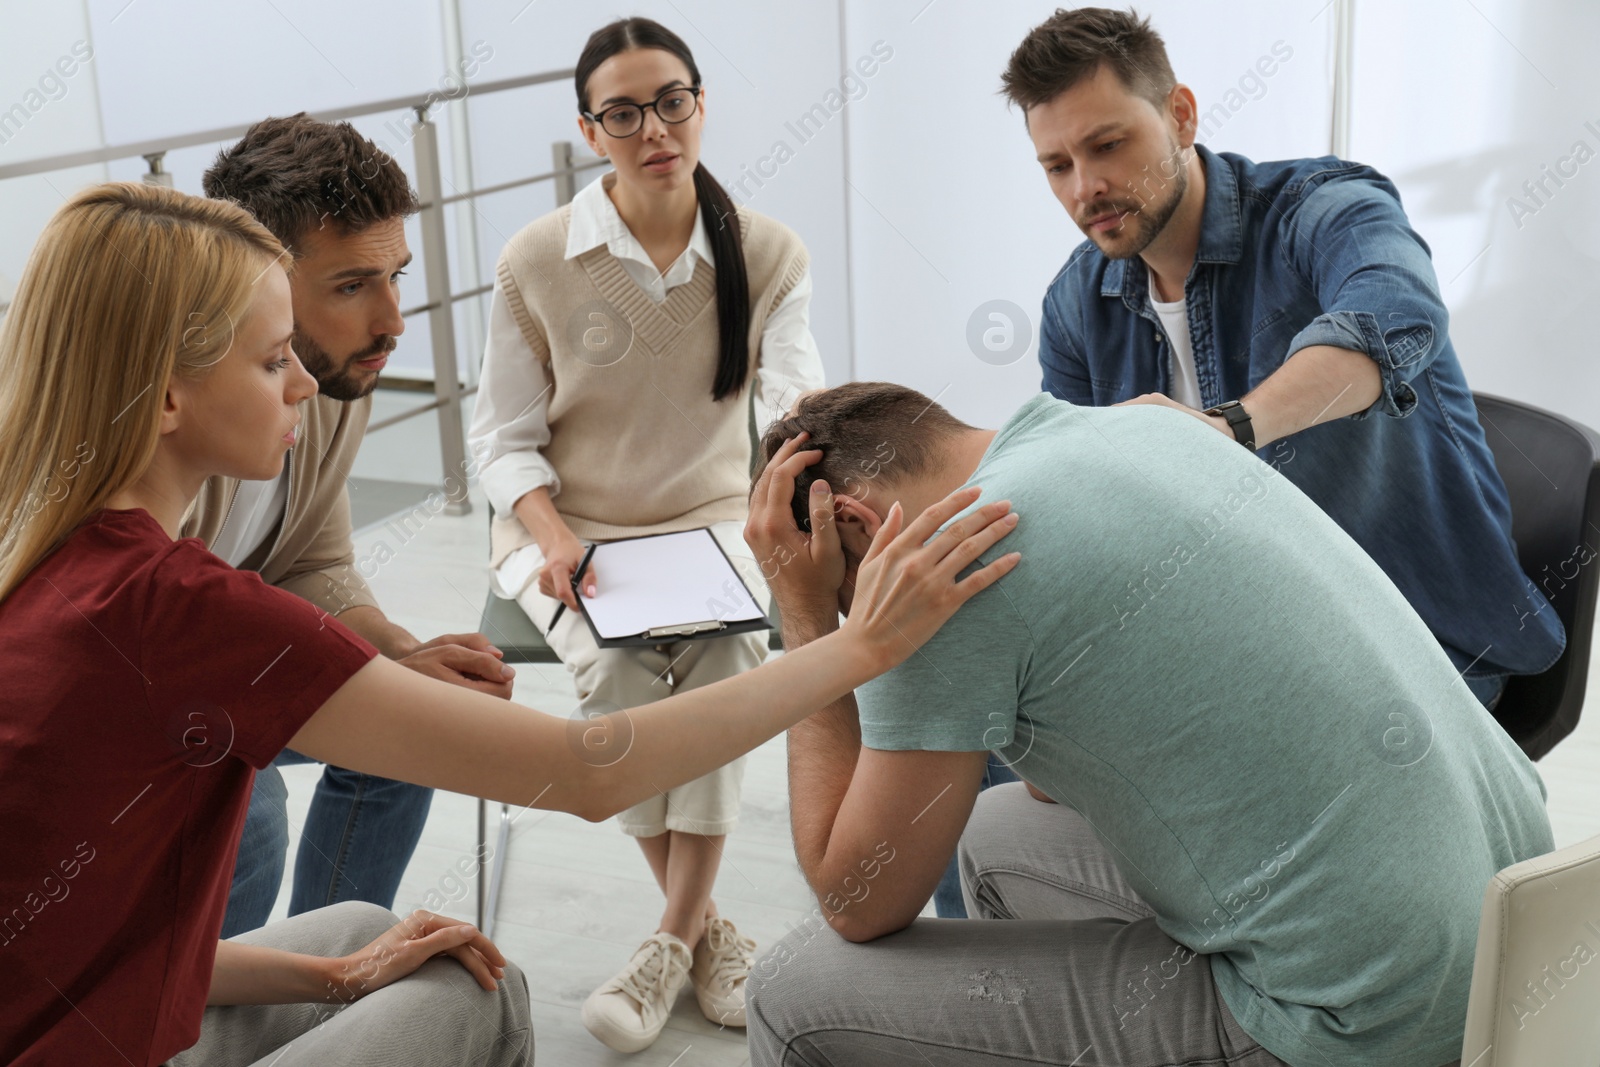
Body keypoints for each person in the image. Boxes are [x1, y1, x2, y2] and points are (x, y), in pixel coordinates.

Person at [0, 184, 1016, 1065]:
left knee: (366, 927)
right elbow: (585, 770)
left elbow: (103, 947)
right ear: (168, 395)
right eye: (274, 361)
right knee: (476, 993)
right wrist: (857, 644)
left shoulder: (53, 560)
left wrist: (340, 973)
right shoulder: (180, 605)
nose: (306, 381)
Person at [740, 381, 1551, 1066]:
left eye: (837, 590)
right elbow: (1054, 783)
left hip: (1366, 1023)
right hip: (1513, 941)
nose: (859, 619)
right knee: (996, 833)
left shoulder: (946, 573)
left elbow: (855, 897)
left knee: (792, 989)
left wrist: (813, 626)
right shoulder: (1142, 426)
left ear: (852, 522)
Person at [1017, 8, 1561, 708]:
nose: (1082, 187)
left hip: (1416, 647)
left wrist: (1227, 429)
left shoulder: (1324, 207)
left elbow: (1395, 314)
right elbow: (1076, 493)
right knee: (987, 730)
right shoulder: (1075, 302)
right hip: (1229, 641)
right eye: (1057, 165)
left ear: (1180, 115)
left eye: (1108, 145)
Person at [467, 16, 824, 1052]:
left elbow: (792, 398)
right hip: (565, 523)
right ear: (590, 129)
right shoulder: (538, 257)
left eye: (671, 100)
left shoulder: (766, 251)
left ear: (700, 103)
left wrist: (788, 491)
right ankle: (703, 933)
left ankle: (668, 931)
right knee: (618, 674)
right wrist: (552, 535)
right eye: (621, 111)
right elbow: (501, 434)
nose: (652, 127)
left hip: (709, 518)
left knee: (721, 658)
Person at [189, 114, 514, 938]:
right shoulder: (175, 410)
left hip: (227, 667)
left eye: (395, 276)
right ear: (249, 277)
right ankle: (214, 1028)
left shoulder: (328, 381)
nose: (393, 321)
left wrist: (397, 656)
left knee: (410, 728)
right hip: (148, 693)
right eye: (350, 286)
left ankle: (321, 989)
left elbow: (315, 563)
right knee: (248, 816)